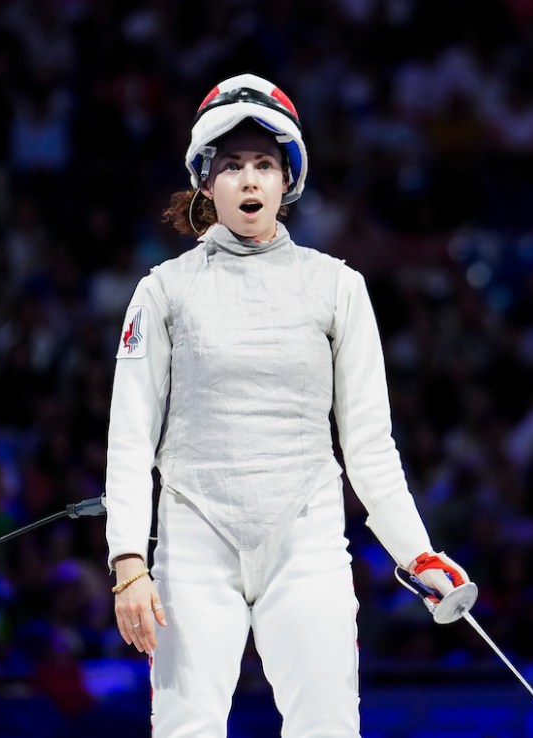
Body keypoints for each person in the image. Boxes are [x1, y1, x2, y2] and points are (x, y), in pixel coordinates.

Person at [103, 73, 477, 736]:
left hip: (305, 537)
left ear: (287, 181)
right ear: (205, 183)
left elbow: (367, 443)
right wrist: (128, 564)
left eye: (264, 165)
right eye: (233, 166)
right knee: (186, 728)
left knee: (327, 727)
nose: (249, 180)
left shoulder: (335, 287)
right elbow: (130, 441)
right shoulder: (162, 292)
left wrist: (416, 552)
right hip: (193, 539)